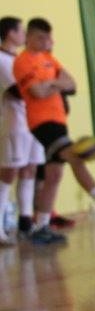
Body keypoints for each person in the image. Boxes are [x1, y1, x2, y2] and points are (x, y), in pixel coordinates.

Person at [12, 18, 95, 244]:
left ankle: (42, 226)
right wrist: (56, 83)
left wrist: (51, 84)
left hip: (59, 119)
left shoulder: (48, 59)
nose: (45, 42)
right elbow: (37, 93)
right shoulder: (23, 61)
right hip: (42, 123)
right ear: (29, 37)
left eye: (47, 38)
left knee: (54, 175)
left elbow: (71, 83)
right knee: (74, 156)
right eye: (40, 38)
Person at [0, 17, 42, 245]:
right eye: (22, 31)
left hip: (32, 121)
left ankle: (26, 222)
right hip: (14, 123)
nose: (25, 35)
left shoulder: (21, 59)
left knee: (30, 169)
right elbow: (18, 92)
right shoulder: (2, 60)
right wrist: (42, 87)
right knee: (9, 173)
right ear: (10, 34)